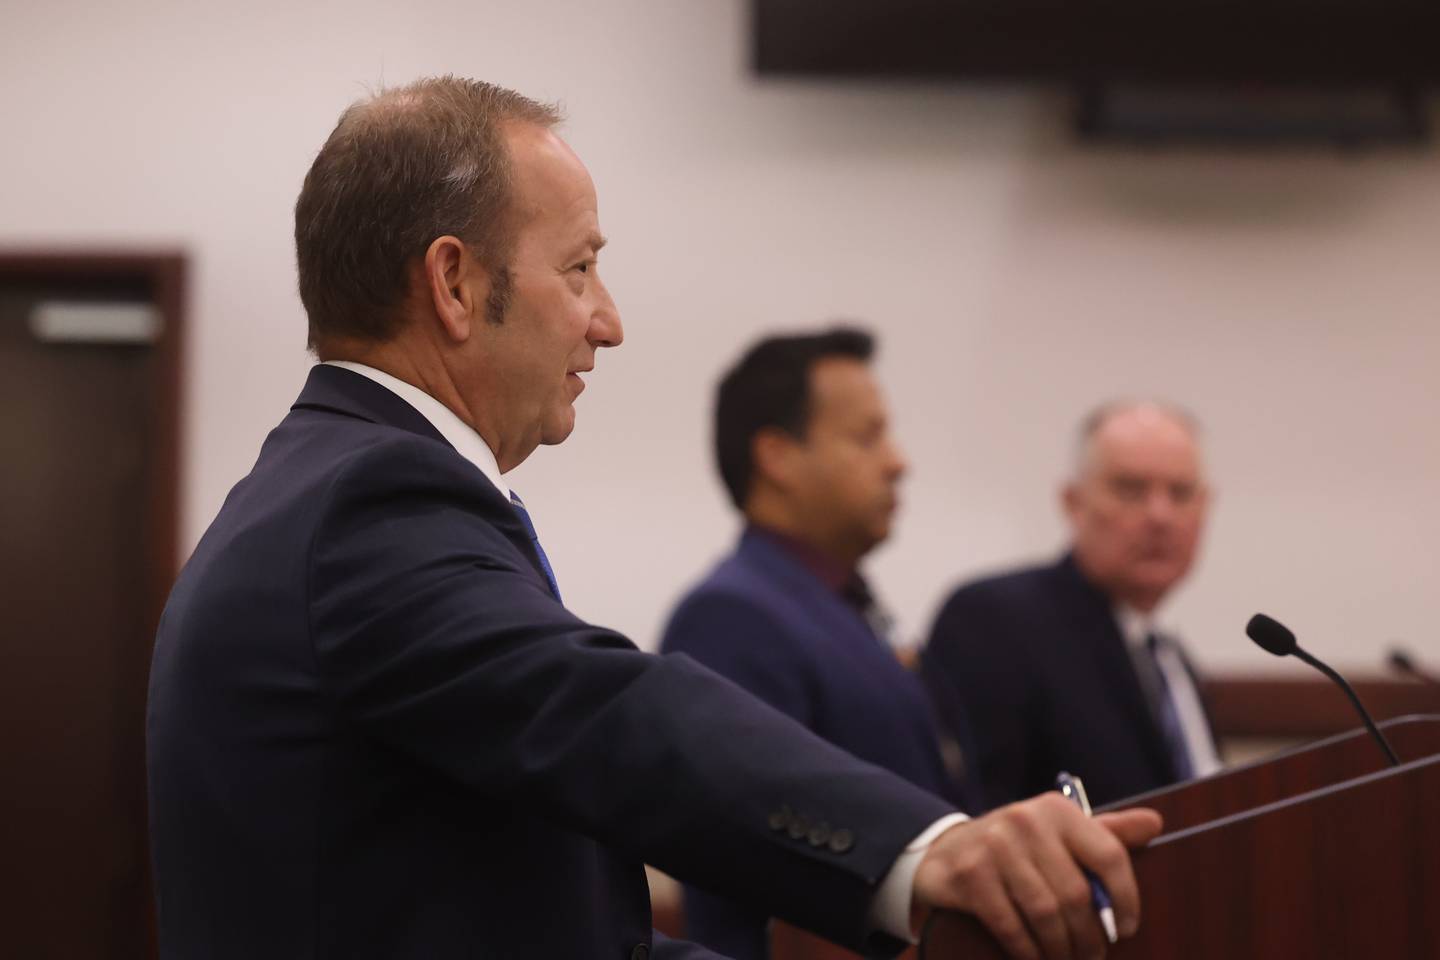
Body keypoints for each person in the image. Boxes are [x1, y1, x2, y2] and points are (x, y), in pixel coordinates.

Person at [146, 76, 1160, 960]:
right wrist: (926, 848)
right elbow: (598, 710)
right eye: (579, 267)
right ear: (454, 284)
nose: (608, 320)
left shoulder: (328, 491)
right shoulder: (366, 506)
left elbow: (539, 925)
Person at [660, 328, 983, 959]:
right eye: (867, 437)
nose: (898, 461)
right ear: (777, 457)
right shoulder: (730, 617)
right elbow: (756, 851)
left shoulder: (845, 604)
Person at [923, 401, 1222, 811]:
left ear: (1206, 507)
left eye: (1181, 493)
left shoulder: (1171, 661)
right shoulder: (995, 621)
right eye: (1131, 489)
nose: (1160, 515)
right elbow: (977, 815)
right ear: (1073, 502)